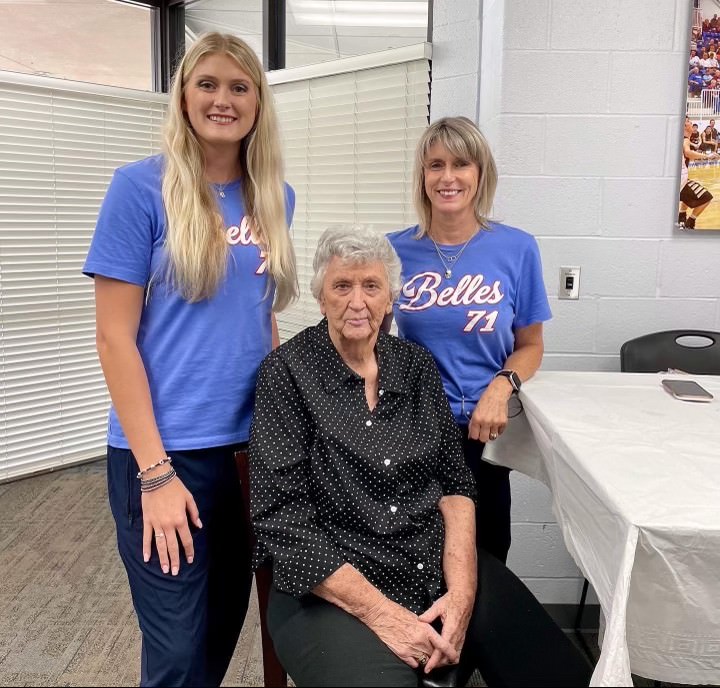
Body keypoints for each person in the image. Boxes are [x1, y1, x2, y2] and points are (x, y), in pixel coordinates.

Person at [249, 227, 592, 688]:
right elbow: (280, 517)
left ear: (391, 297)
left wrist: (463, 592)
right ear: (321, 297)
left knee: (557, 673)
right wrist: (384, 615)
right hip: (327, 588)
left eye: (371, 286)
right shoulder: (287, 372)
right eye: (342, 286)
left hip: (428, 561)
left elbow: (455, 484)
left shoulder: (415, 366)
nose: (357, 301)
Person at [82, 32, 297, 687]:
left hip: (244, 458)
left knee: (216, 640)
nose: (222, 100)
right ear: (182, 94)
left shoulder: (273, 198)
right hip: (162, 456)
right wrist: (154, 473)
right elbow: (113, 338)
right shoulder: (140, 189)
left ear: (258, 101)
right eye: (207, 84)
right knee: (175, 654)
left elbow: (261, 322)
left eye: (239, 86)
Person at [387, 117, 551, 565]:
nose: (448, 177)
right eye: (435, 165)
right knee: (416, 555)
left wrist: (501, 387)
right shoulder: (393, 251)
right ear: (422, 177)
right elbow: (371, 342)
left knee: (487, 555)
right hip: (414, 430)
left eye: (461, 164)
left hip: (486, 430)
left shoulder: (517, 249)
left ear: (480, 173)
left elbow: (531, 345)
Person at [679, 116, 717, 229]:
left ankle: (681, 216)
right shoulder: (685, 139)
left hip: (681, 180)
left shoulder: (684, 139)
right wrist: (708, 156)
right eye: (689, 122)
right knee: (707, 197)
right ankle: (690, 222)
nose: (692, 123)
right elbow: (688, 153)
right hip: (681, 181)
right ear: (685, 126)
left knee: (689, 194)